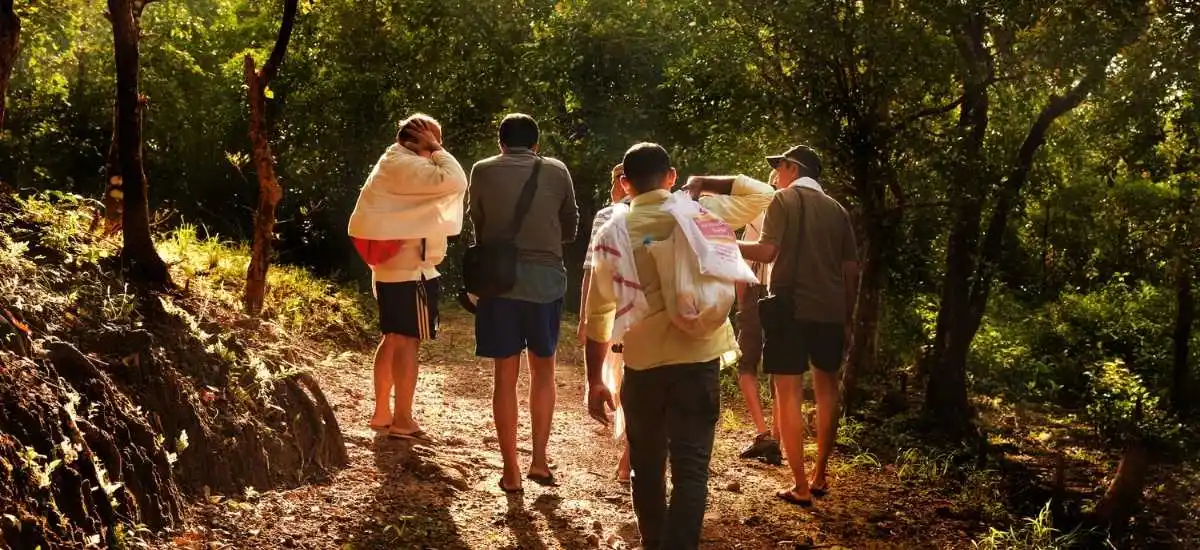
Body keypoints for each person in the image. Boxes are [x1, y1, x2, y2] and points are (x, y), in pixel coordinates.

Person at [584, 143, 773, 549]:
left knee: (647, 469)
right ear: (671, 177)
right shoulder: (702, 214)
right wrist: (705, 183)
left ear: (624, 183)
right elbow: (763, 194)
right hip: (697, 361)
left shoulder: (611, 233)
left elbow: (598, 315)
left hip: (642, 366)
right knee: (691, 471)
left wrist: (593, 380)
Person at [738, 145, 859, 507]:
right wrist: (847, 315)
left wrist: (724, 240)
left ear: (793, 168)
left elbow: (766, 252)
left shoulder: (783, 200)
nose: (775, 175)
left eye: (778, 167)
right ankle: (821, 475)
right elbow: (851, 270)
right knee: (827, 391)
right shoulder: (838, 211)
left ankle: (800, 486)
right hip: (830, 311)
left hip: (790, 307)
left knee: (787, 393)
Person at [468, 113, 579, 493]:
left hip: (499, 283)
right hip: (546, 281)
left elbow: (478, 224)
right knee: (543, 372)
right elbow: (571, 222)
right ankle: (540, 461)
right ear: (536, 144)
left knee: (505, 375)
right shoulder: (556, 169)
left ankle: (510, 470)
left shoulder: (481, 170)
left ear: (500, 143)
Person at [347, 114, 468, 443]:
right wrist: (437, 148)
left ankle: (383, 413)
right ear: (418, 140)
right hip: (410, 271)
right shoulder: (407, 165)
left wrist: (430, 149)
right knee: (406, 342)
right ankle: (402, 418)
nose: (435, 151)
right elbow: (457, 181)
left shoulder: (393, 163)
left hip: (392, 269)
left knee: (393, 338)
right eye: (431, 143)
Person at [579, 163, 632, 483]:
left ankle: (629, 454)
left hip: (612, 309)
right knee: (632, 376)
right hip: (647, 310)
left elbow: (591, 270)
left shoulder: (606, 215)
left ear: (621, 184)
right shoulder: (668, 214)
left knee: (621, 375)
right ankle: (630, 452)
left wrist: (586, 317)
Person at [735, 170, 782, 465]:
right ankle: (780, 434)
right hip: (785, 292)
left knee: (746, 365)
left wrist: (741, 305)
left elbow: (741, 266)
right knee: (781, 368)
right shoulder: (797, 216)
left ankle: (764, 434)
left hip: (755, 292)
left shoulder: (756, 216)